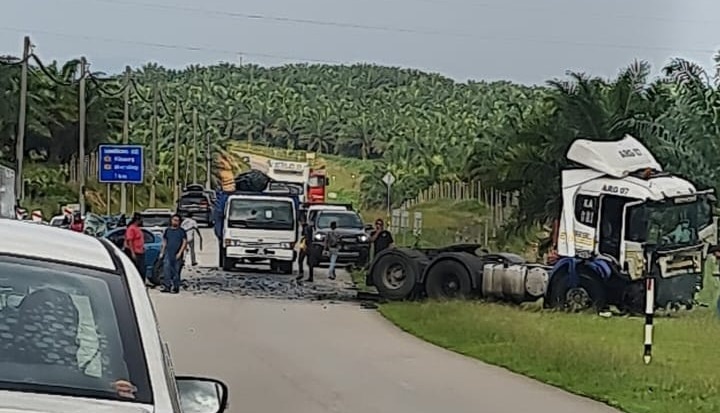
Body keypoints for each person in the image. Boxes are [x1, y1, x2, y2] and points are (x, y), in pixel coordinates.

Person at [160, 214, 188, 294]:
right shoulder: (167, 230)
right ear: (171, 220)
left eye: (177, 220)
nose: (175, 222)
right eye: (174, 220)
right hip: (168, 253)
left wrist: (180, 253)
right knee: (166, 270)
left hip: (177, 254)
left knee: (176, 271)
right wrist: (162, 252)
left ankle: (176, 287)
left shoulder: (181, 231)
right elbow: (164, 242)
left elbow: (184, 242)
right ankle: (167, 286)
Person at [124, 213, 146, 282]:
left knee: (142, 270)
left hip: (140, 252)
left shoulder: (137, 228)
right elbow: (130, 241)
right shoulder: (131, 228)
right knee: (137, 270)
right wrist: (132, 253)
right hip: (135, 252)